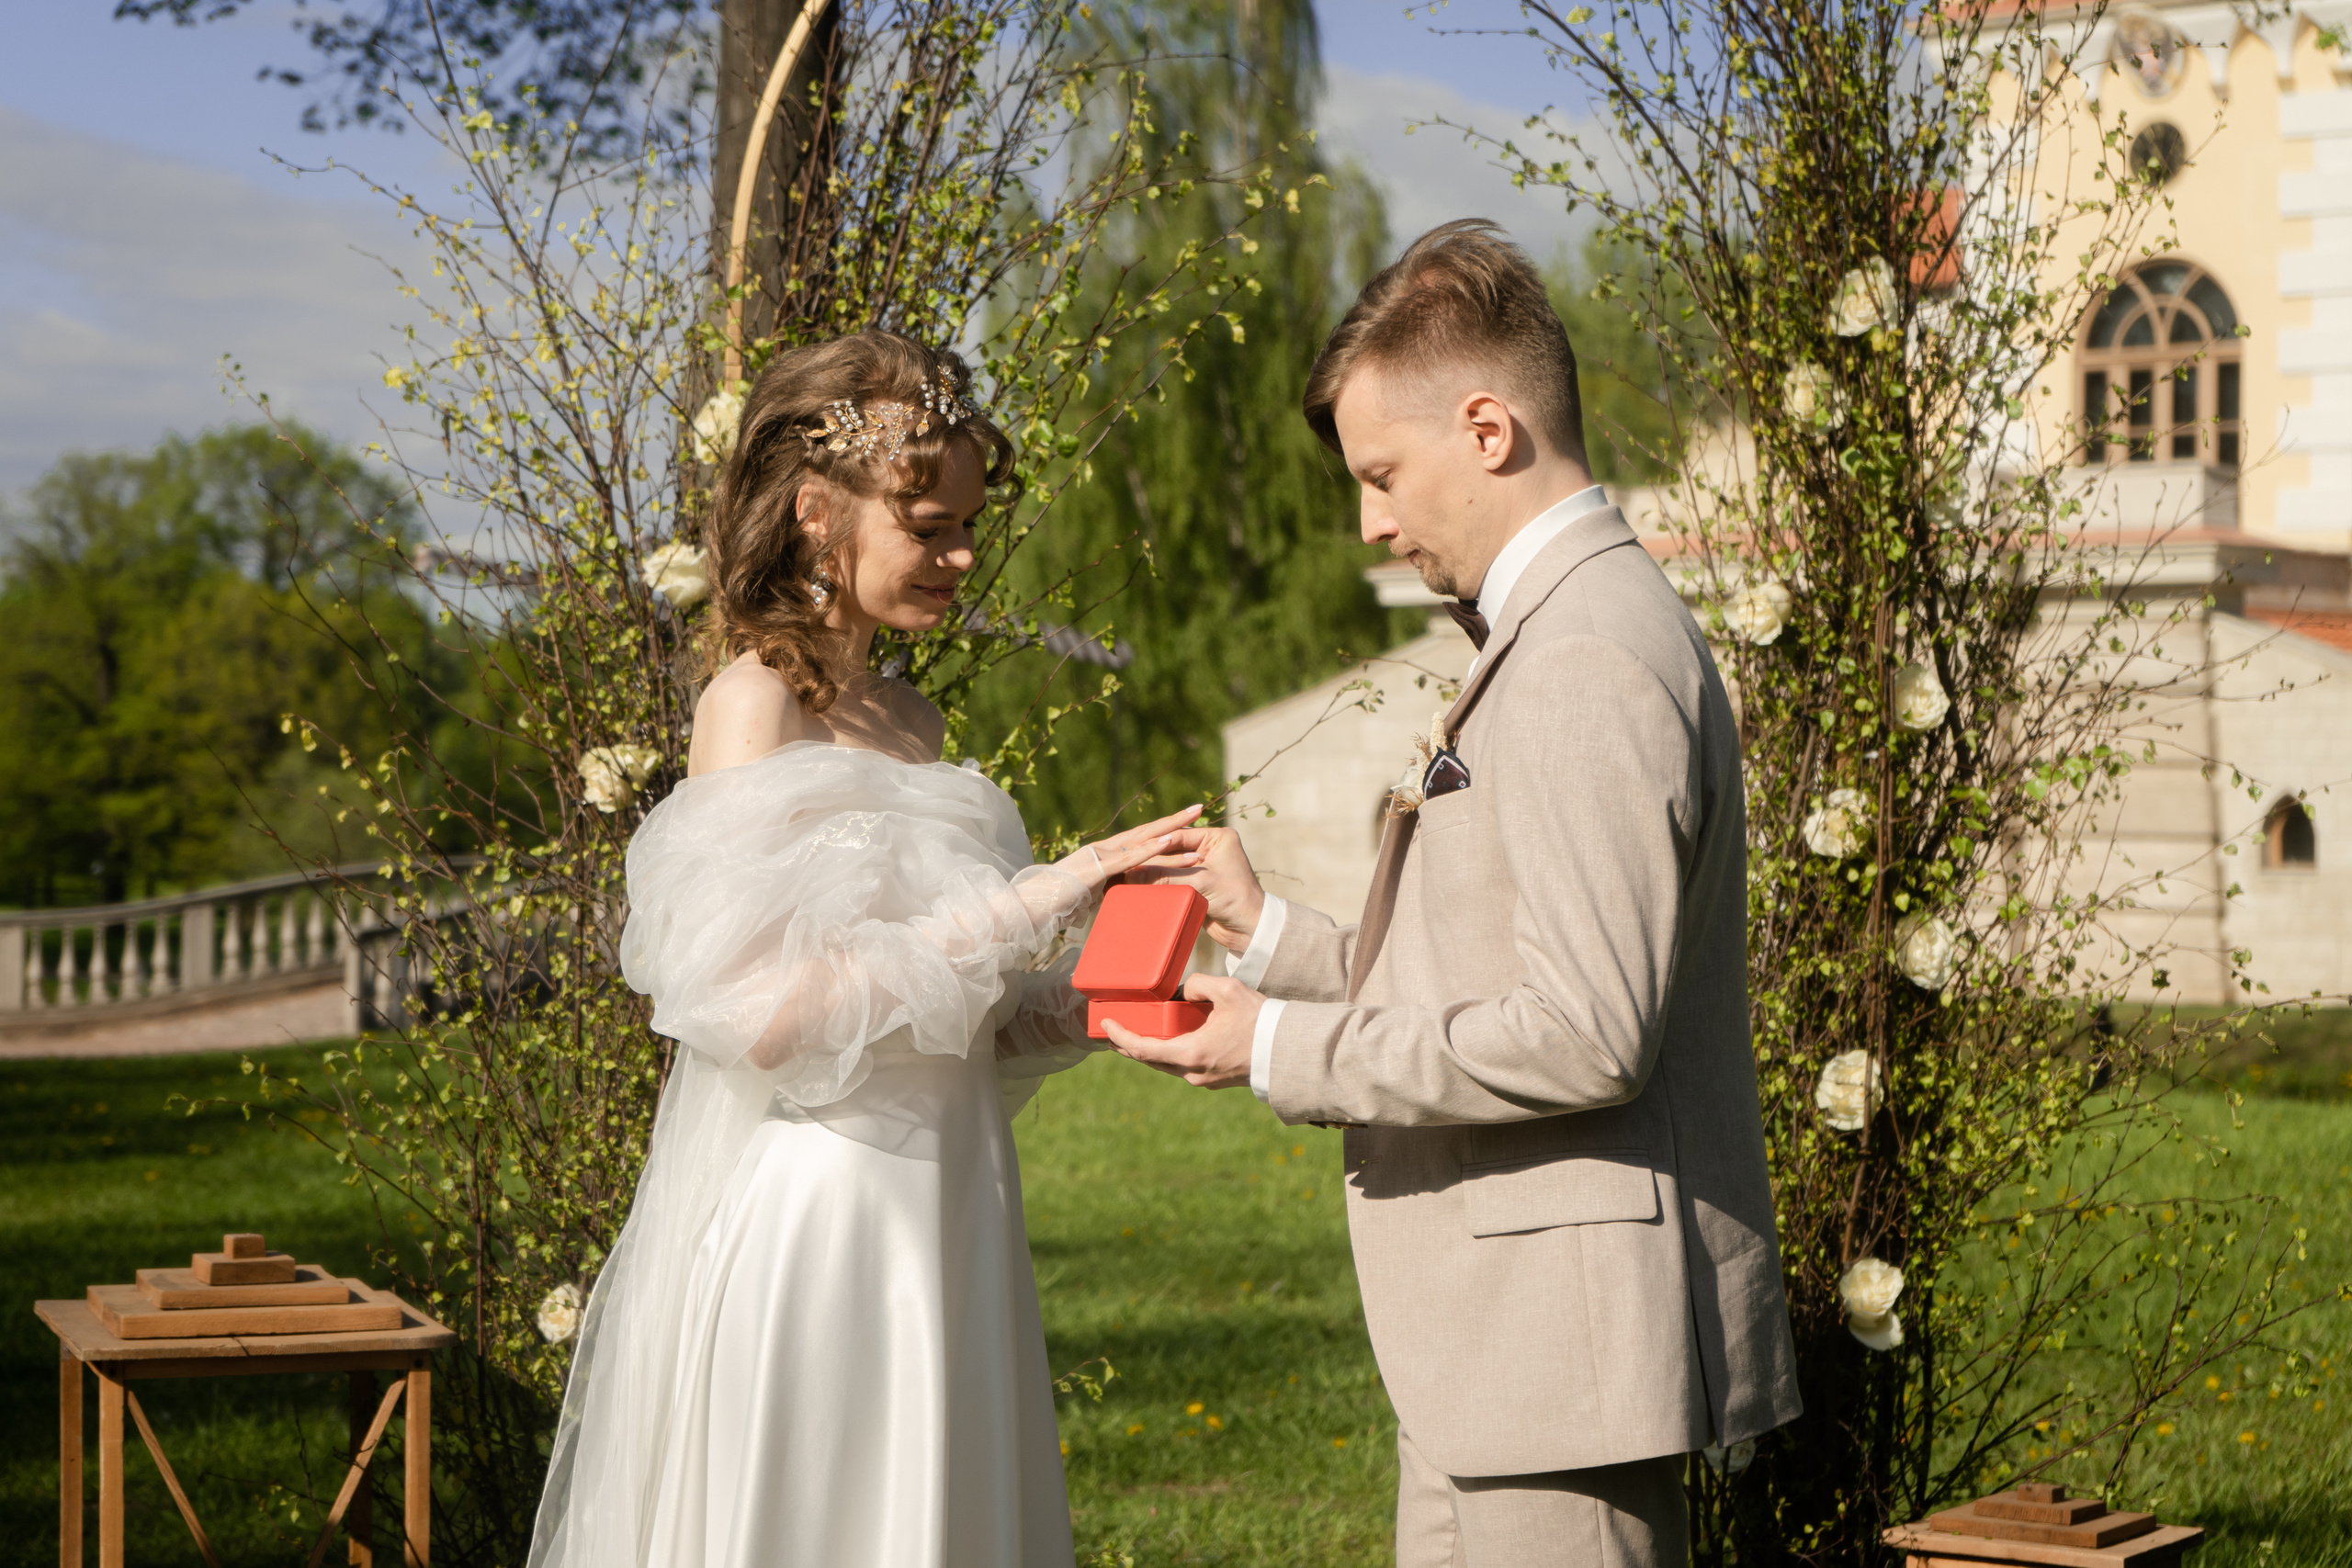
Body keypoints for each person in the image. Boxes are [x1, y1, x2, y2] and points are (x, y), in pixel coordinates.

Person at [1109, 220, 1801, 1568]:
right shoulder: (1563, 630)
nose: (1368, 518)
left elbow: (1588, 1033)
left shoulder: (1591, 651)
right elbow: (1496, 962)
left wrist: (1276, 1048)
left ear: (1487, 428)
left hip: (1566, 1362)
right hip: (1510, 1361)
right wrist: (1274, 939)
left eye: (1381, 472)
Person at [528, 331, 1200, 1568]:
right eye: (928, 524)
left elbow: (960, 1016)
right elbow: (765, 1014)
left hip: (950, 1201)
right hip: (830, 1215)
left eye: (966, 527)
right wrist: (1041, 893)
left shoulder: (914, 718)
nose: (958, 556)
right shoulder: (753, 706)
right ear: (816, 513)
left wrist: (1114, 996)